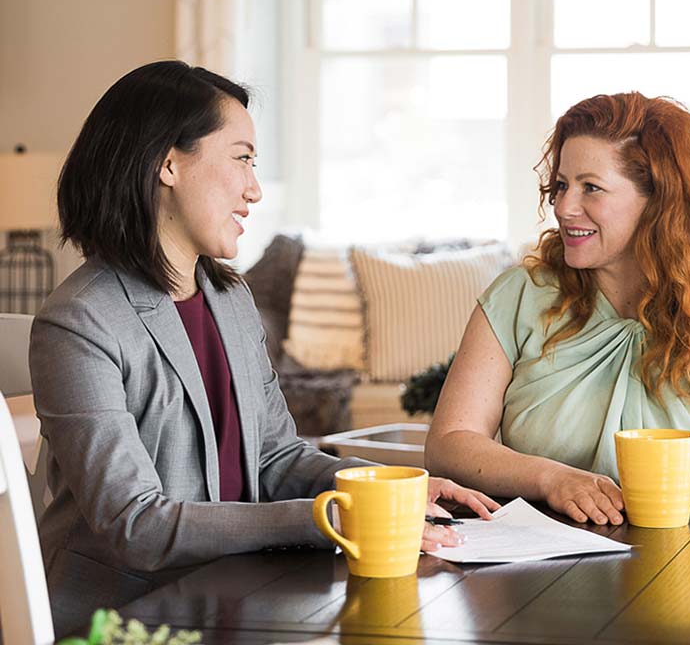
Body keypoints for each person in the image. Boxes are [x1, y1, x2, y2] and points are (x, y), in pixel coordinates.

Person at [31, 61, 499, 636]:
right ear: (168, 162)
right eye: (242, 158)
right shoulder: (80, 321)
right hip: (128, 617)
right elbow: (136, 524)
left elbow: (276, 458)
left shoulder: (228, 298)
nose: (254, 188)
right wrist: (331, 517)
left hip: (239, 590)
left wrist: (385, 491)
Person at [426, 91, 690, 528]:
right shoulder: (518, 297)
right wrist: (550, 478)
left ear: (660, 201)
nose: (564, 208)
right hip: (540, 568)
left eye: (592, 188)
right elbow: (449, 443)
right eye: (561, 185)